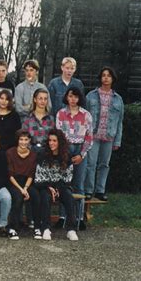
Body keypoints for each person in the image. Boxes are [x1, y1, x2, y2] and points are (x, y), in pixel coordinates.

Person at [56, 87, 93, 230]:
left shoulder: (86, 115)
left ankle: (79, 218)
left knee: (78, 185)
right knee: (64, 184)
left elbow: (89, 137)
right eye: (70, 96)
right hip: (65, 150)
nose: (73, 99)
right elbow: (58, 136)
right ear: (66, 97)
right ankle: (62, 217)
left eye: (76, 97)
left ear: (80, 98)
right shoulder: (61, 114)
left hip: (80, 150)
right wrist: (64, 154)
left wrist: (81, 155)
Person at [85, 67, 124, 201]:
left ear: (112, 79)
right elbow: (85, 116)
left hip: (109, 136)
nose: (106, 78)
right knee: (91, 163)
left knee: (104, 165)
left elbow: (120, 122)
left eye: (108, 76)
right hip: (93, 135)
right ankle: (88, 190)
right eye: (103, 75)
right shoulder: (91, 96)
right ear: (100, 78)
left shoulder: (118, 99)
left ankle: (100, 190)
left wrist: (117, 140)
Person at [35, 129, 79, 241]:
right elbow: (39, 177)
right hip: (45, 186)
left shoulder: (67, 156)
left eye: (54, 140)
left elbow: (68, 177)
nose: (51, 143)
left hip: (61, 186)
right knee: (45, 197)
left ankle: (71, 230)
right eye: (50, 140)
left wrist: (58, 188)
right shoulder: (42, 155)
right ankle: (46, 228)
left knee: (69, 197)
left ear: (60, 142)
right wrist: (49, 186)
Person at [6, 129, 41, 240]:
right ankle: (12, 228)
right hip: (14, 182)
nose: (23, 142)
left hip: (27, 182)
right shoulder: (10, 152)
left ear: (29, 141)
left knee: (36, 196)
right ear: (18, 140)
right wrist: (21, 189)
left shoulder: (33, 155)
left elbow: (31, 174)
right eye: (21, 139)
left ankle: (37, 227)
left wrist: (25, 188)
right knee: (18, 198)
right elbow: (10, 175)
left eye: (26, 140)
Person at [22, 88, 55, 154]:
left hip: (47, 152)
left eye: (45, 99)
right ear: (35, 99)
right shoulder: (27, 118)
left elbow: (53, 138)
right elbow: (23, 137)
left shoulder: (51, 119)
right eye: (40, 98)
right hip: (30, 152)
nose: (43, 101)